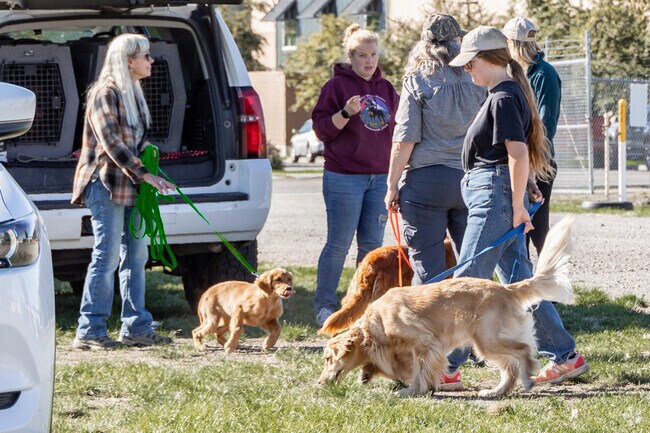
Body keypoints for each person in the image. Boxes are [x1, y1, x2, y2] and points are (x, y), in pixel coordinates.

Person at [445, 26, 589, 385]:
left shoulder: (503, 97)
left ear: (486, 59)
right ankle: (566, 356)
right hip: (498, 194)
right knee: (522, 285)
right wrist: (526, 190)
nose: (467, 70)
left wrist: (517, 204)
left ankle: (444, 366)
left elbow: (517, 152)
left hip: (495, 197)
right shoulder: (504, 93)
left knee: (466, 283)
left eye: (469, 64)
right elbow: (513, 153)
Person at [71, 33, 175, 350]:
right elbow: (111, 143)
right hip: (103, 183)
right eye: (145, 55)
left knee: (136, 254)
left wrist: (148, 160)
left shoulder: (134, 95)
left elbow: (134, 143)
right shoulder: (105, 93)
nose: (151, 60)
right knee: (106, 257)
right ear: (129, 60)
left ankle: (137, 327)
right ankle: (90, 330)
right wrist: (145, 174)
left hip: (129, 183)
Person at [386, 13, 485, 287]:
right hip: (470, 179)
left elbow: (405, 137)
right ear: (456, 42)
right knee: (472, 270)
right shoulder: (476, 79)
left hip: (426, 183)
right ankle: (469, 328)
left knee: (428, 273)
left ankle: (426, 328)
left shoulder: (417, 79)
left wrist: (392, 184)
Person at [312, 24, 399, 326]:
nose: (369, 61)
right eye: (362, 55)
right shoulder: (336, 87)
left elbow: (399, 131)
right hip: (344, 177)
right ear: (350, 57)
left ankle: (363, 307)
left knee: (372, 248)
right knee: (338, 244)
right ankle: (324, 306)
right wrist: (345, 113)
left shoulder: (387, 89)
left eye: (373, 54)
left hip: (379, 178)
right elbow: (322, 130)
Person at [504, 17, 561, 255]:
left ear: (511, 43)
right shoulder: (512, 72)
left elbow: (546, 123)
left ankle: (551, 282)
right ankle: (525, 285)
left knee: (538, 230)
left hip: (538, 161)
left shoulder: (544, 74)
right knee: (519, 229)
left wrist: (533, 164)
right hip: (517, 159)